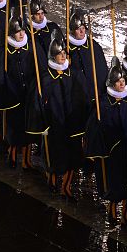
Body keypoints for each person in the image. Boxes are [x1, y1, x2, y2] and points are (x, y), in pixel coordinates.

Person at [32, 32, 89, 199]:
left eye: (65, 53)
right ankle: (52, 180)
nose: (63, 56)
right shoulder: (45, 78)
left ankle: (66, 186)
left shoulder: (74, 74)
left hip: (71, 126)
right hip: (54, 126)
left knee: (72, 158)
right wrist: (42, 124)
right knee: (56, 157)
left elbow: (82, 98)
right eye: (60, 54)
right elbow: (38, 104)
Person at [86, 57, 127, 222]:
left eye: (123, 80)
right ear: (111, 84)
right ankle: (112, 210)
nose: (122, 83)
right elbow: (94, 129)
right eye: (118, 81)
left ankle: (126, 214)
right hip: (112, 151)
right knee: (114, 182)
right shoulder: (103, 105)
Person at [0, 10, 34, 168]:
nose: (21, 34)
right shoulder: (3, 53)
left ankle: (27, 161)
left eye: (22, 31)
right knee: (14, 130)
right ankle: (12, 155)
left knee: (28, 130)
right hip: (12, 99)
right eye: (17, 31)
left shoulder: (30, 48)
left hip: (26, 97)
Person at [67, 7, 107, 106]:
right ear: (72, 31)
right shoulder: (66, 48)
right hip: (77, 100)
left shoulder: (94, 46)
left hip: (97, 96)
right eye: (78, 29)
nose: (81, 32)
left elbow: (102, 70)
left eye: (83, 28)